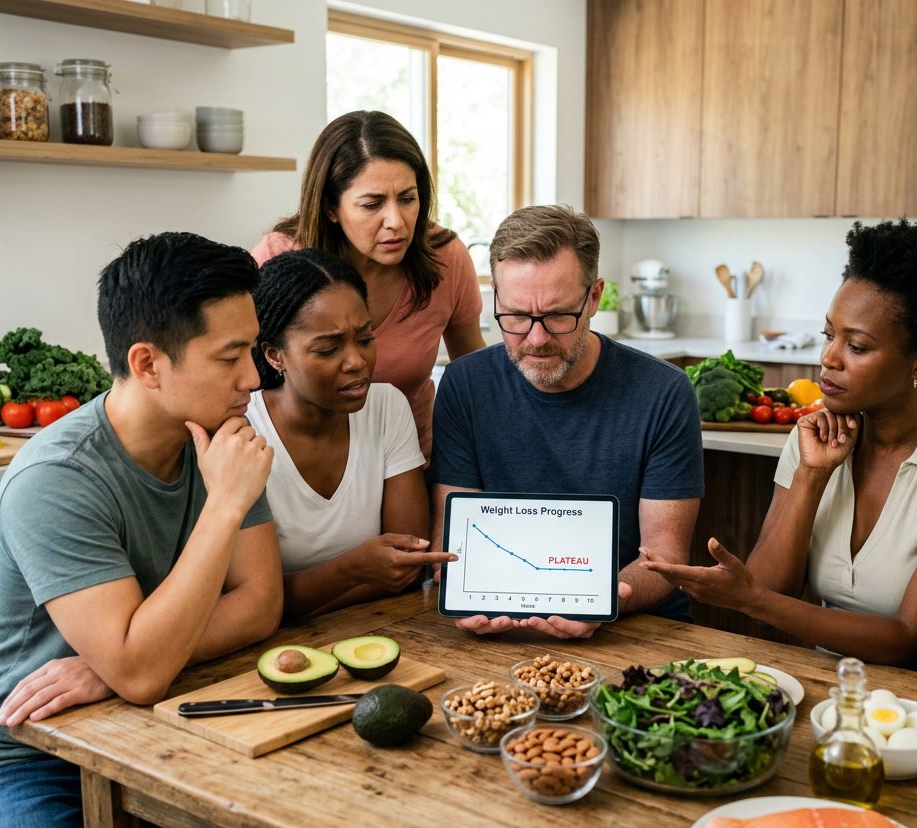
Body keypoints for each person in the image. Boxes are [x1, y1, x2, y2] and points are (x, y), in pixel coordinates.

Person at [0, 233, 284, 828]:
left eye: (251, 350)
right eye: (230, 357)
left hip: (144, 717)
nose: (252, 378)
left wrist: (113, 666)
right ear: (148, 364)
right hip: (15, 757)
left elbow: (259, 604)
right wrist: (223, 508)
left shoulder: (219, 436)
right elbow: (142, 672)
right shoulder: (56, 478)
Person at [643, 220, 917, 668]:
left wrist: (751, 599)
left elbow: (908, 639)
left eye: (856, 346)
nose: (828, 358)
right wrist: (812, 476)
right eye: (828, 335)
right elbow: (770, 589)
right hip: (838, 687)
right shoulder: (814, 438)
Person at [428, 204, 703, 638]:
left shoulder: (664, 393)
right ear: (495, 299)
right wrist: (458, 589)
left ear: (594, 297)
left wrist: (602, 601)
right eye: (516, 316)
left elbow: (665, 557)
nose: (536, 339)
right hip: (501, 628)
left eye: (558, 315)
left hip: (637, 626)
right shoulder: (464, 384)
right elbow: (453, 535)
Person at [252, 110, 485, 458]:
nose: (396, 221)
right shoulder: (278, 260)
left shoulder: (445, 258)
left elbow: (475, 375)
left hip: (412, 457)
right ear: (331, 207)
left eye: (407, 198)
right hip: (297, 464)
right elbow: (243, 380)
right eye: (372, 204)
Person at [245, 249, 456, 618]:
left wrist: (292, 600)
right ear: (274, 355)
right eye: (328, 349)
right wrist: (353, 569)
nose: (356, 362)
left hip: (379, 627)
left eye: (365, 338)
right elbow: (248, 601)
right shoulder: (244, 431)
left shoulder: (387, 406)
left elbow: (407, 569)